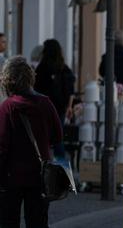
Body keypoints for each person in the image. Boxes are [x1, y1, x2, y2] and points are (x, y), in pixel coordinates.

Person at [0, 57, 62, 228]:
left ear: (8, 80)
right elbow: (57, 137)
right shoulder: (45, 103)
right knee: (38, 222)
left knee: (8, 222)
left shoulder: (8, 107)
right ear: (30, 77)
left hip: (11, 177)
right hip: (40, 176)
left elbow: (2, 146)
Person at [33, 39, 75, 158]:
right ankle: (60, 166)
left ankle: (44, 162)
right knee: (58, 137)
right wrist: (70, 106)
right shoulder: (63, 68)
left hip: (44, 107)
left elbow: (36, 88)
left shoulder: (41, 68)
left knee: (43, 136)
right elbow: (70, 90)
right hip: (60, 107)